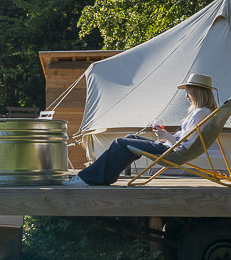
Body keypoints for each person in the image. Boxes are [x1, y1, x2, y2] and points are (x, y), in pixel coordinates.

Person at [71, 74, 218, 186]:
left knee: (120, 142)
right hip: (170, 147)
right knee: (130, 137)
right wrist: (165, 137)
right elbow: (186, 139)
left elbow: (184, 144)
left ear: (197, 93)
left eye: (188, 92)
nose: (186, 96)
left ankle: (87, 178)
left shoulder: (201, 113)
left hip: (172, 152)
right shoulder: (205, 112)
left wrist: (165, 135)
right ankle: (104, 177)